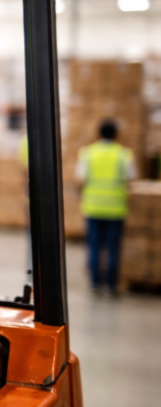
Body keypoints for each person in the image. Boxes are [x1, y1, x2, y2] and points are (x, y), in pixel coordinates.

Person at [77, 119, 134, 295]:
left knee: (94, 246)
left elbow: (80, 179)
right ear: (117, 134)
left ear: (98, 133)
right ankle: (111, 285)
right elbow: (130, 179)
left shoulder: (87, 153)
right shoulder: (124, 154)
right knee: (112, 248)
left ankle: (95, 284)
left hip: (93, 206)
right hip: (115, 208)